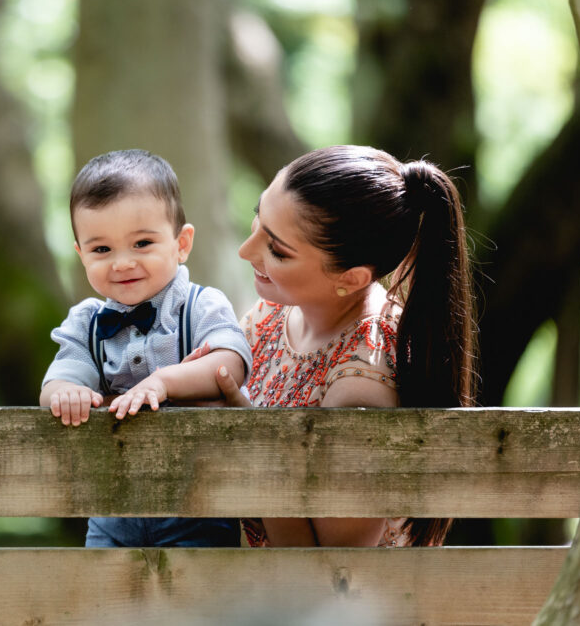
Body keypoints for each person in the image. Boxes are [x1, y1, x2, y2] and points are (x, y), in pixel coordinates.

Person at [198, 145, 476, 548]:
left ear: (350, 278)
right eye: (259, 217)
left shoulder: (363, 384)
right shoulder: (272, 312)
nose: (246, 250)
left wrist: (254, 440)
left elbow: (330, 577)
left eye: (276, 250)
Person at [40, 148, 252, 547]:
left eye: (141, 243)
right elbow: (59, 379)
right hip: (113, 507)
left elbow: (230, 363)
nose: (121, 263)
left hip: (198, 504)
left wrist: (165, 382)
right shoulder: (86, 323)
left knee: (197, 603)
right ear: (81, 254)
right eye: (101, 249)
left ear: (181, 243)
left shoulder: (200, 306)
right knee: (109, 601)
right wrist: (66, 393)